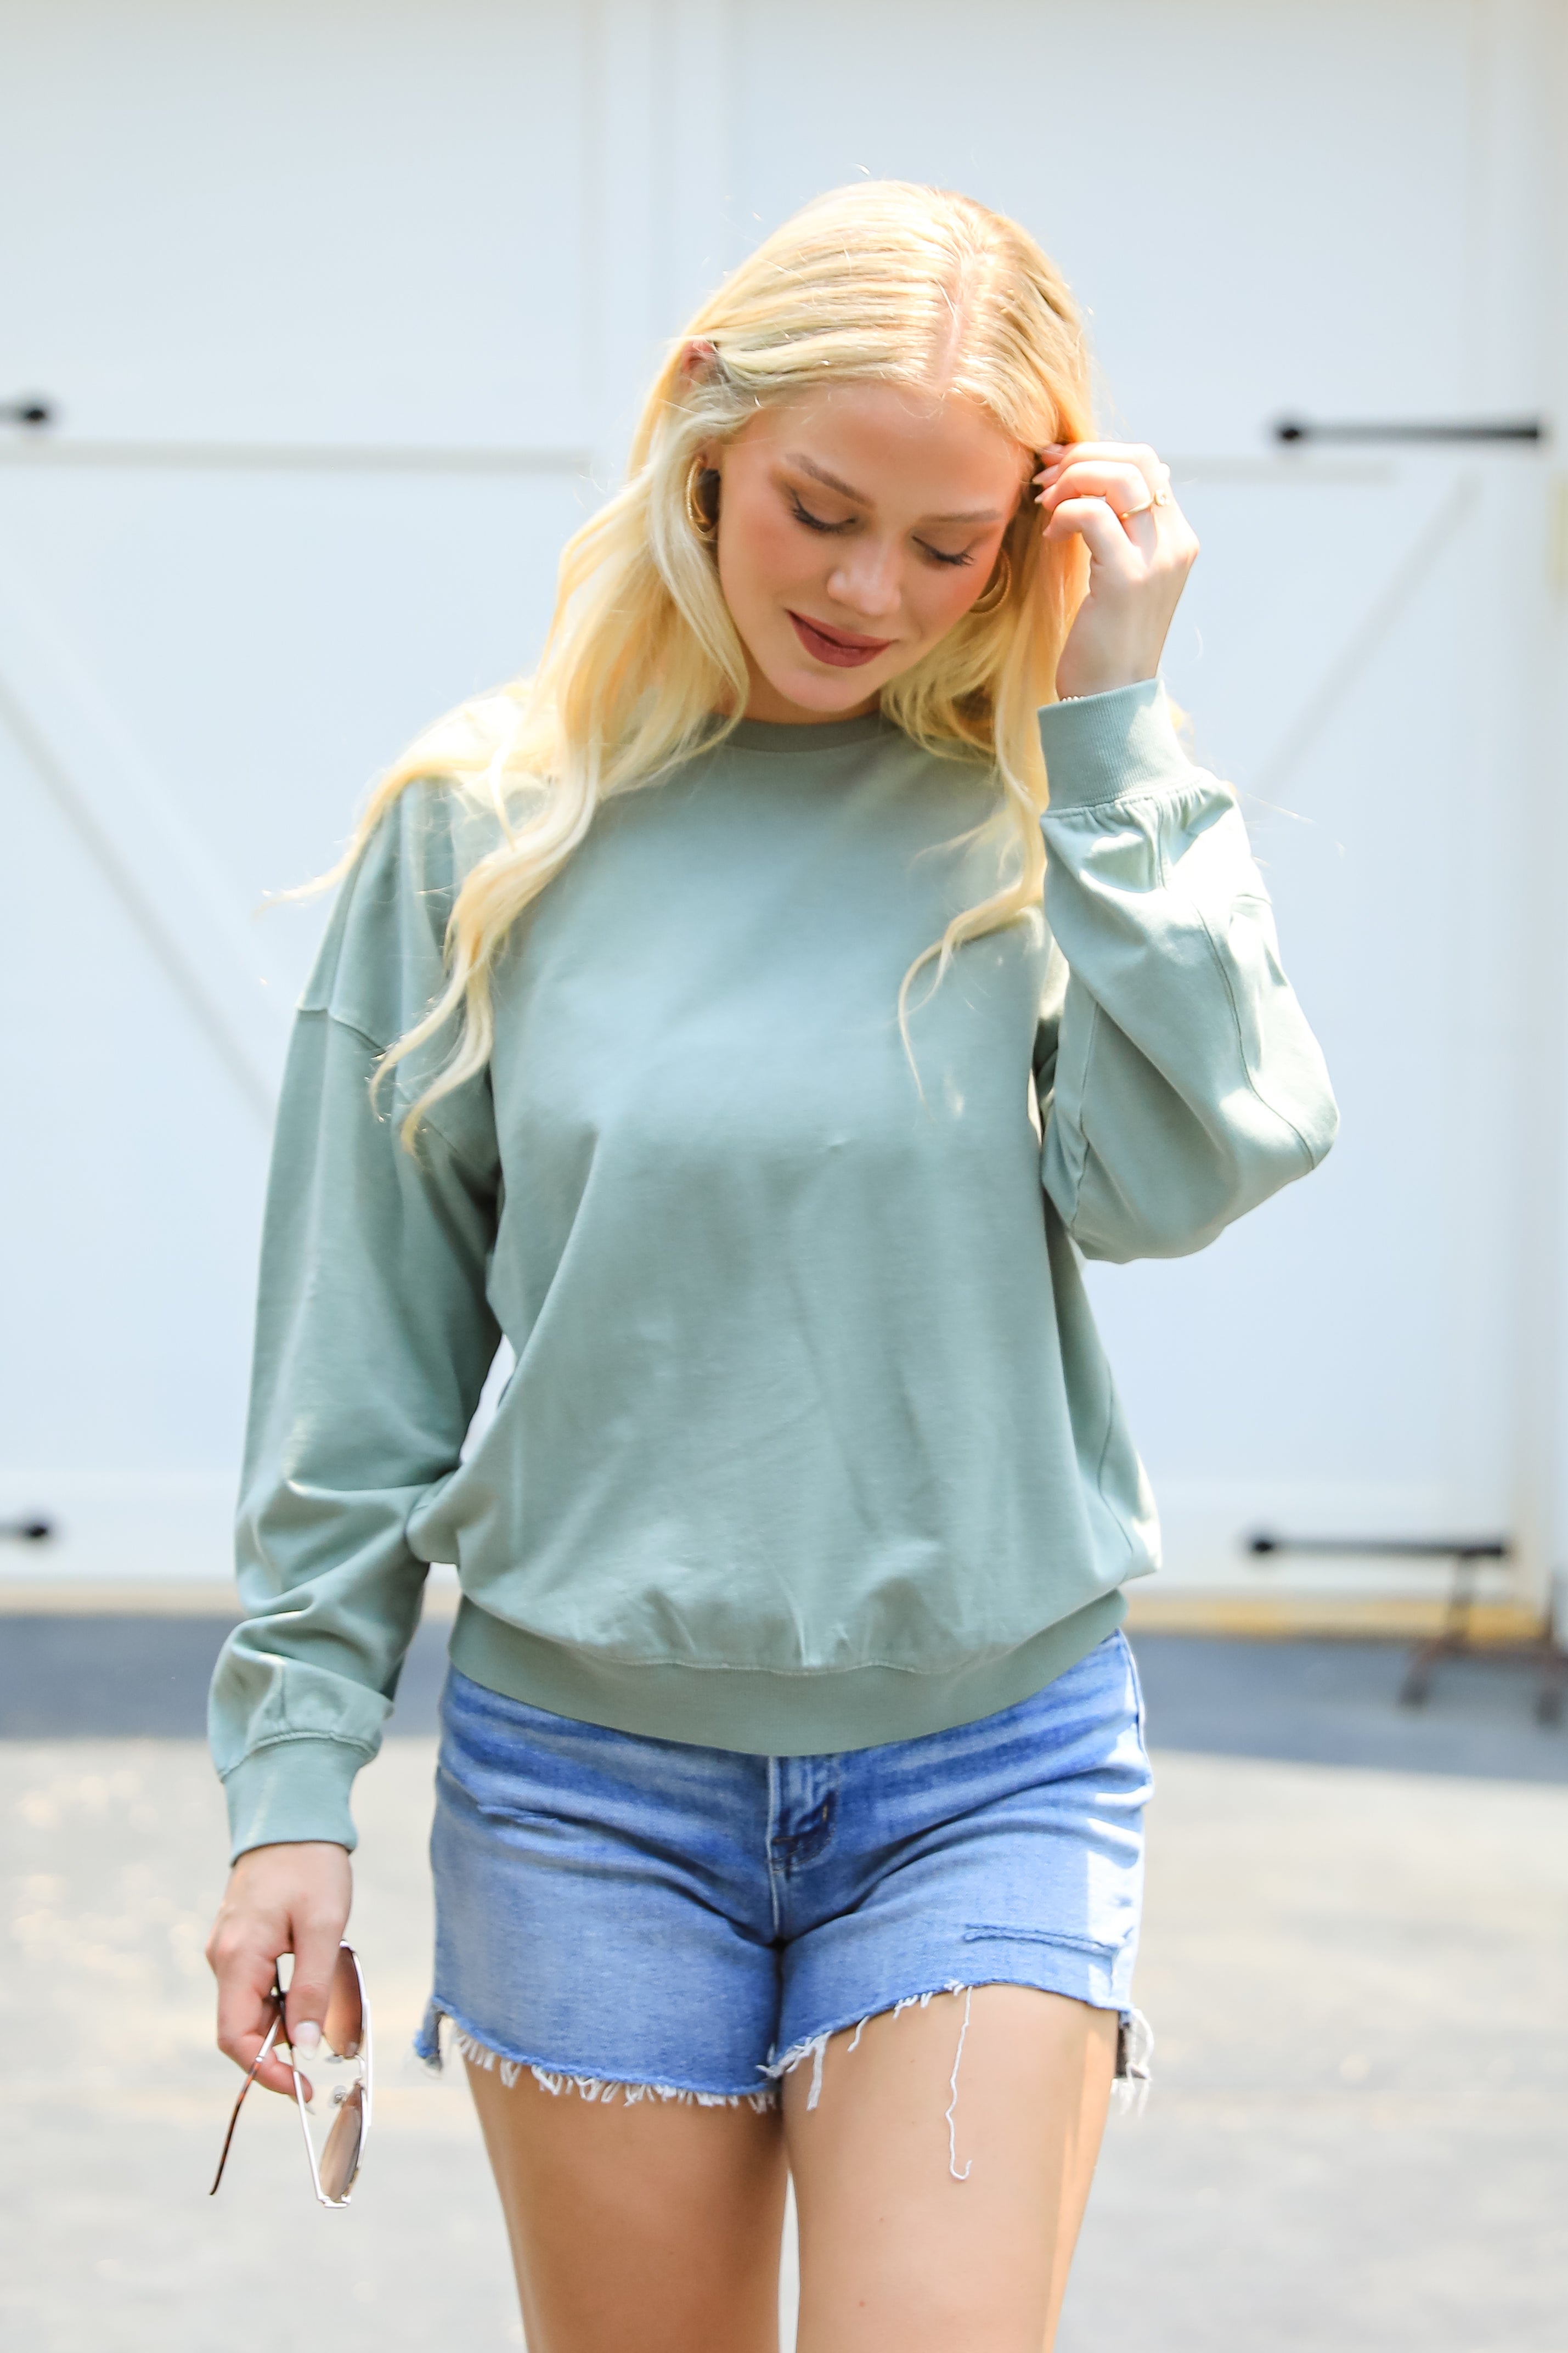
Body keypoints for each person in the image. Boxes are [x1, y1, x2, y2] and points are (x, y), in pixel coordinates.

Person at [205, 180, 1336, 2351]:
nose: (872, 591)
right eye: (823, 508)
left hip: (985, 1762)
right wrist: (288, 1796)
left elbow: (1198, 1162)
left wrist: (1114, 724)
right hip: (584, 1788)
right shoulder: (478, 825)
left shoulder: (1047, 810)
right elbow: (359, 1371)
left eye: (953, 546)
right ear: (698, 433)